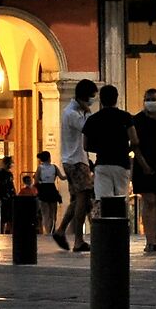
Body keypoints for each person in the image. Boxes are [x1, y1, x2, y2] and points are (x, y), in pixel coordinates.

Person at [85, 85, 138, 230]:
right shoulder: (125, 117)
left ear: (101, 100)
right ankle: (121, 230)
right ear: (116, 98)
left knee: (102, 200)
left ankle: (104, 232)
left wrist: (101, 148)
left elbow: (85, 145)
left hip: (102, 163)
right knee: (121, 199)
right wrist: (125, 150)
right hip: (121, 163)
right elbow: (134, 140)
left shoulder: (93, 119)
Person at [57, 79, 95, 252]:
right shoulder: (73, 113)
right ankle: (78, 240)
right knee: (83, 198)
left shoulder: (73, 111)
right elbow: (88, 128)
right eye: (91, 97)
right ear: (83, 97)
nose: (92, 101)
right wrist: (88, 113)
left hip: (74, 160)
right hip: (76, 160)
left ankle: (61, 230)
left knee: (77, 199)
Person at [132, 90, 156, 253]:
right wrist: (143, 164)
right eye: (148, 99)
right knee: (149, 200)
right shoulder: (137, 120)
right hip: (143, 165)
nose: (151, 102)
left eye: (154, 99)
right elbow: (135, 145)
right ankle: (150, 240)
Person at [33, 151, 62, 240]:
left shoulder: (40, 168)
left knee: (45, 212)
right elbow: (62, 177)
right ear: (49, 157)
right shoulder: (54, 167)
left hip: (43, 190)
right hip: (52, 189)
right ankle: (53, 228)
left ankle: (47, 231)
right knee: (53, 212)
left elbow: (36, 181)